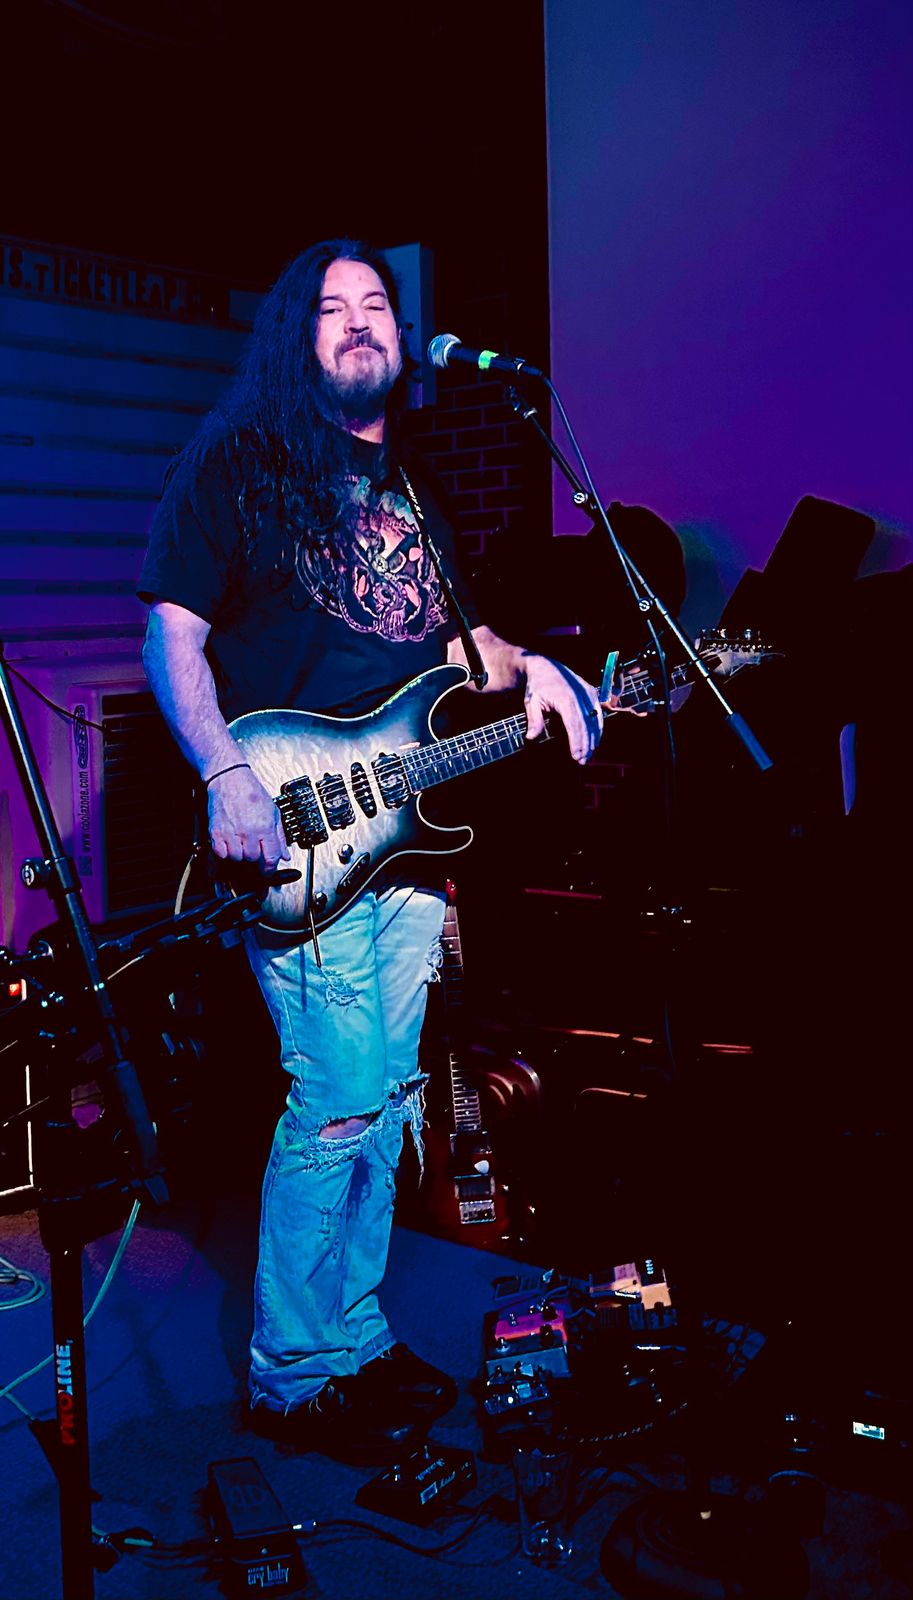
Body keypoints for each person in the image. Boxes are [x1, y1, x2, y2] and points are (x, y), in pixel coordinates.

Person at [138, 238, 607, 1462]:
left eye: (376, 305)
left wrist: (534, 668)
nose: (358, 321)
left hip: (404, 847)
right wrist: (226, 774)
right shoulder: (239, 461)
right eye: (331, 307)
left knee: (389, 1097)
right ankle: (292, 1371)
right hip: (298, 822)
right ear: (298, 337)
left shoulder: (407, 485)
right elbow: (170, 636)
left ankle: (352, 1334)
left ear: (402, 338)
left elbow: (455, 649)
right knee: (337, 1101)